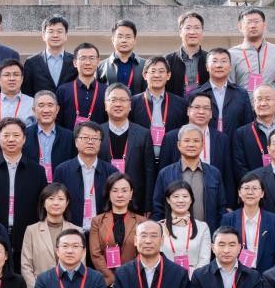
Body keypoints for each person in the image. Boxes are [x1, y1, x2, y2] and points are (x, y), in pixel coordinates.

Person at [0, 118, 48, 267]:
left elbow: (42, 206)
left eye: (16, 135)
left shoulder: (37, 171)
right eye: (6, 135)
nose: (11, 139)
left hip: (27, 235)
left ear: (24, 139)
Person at [153, 125, 227, 228]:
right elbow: (158, 209)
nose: (191, 144)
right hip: (173, 233)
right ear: (179, 145)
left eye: (196, 141)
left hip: (207, 233)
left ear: (202, 145)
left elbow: (221, 209)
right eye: (187, 140)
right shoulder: (165, 174)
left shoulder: (214, 173)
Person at [99, 83, 157, 212]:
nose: (118, 104)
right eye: (113, 100)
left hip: (136, 203)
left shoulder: (143, 134)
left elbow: (149, 172)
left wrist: (148, 207)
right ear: (105, 105)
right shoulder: (97, 134)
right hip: (102, 202)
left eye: (123, 100)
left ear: (130, 105)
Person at [158, 93, 231, 194]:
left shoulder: (222, 139)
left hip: (212, 194)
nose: (201, 112)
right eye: (197, 107)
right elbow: (163, 174)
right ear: (188, 111)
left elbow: (228, 176)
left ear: (211, 114)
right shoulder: (171, 137)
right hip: (178, 196)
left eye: (206, 108)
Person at [52, 121, 118, 227]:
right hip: (71, 228)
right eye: (85, 138)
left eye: (95, 138)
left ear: (100, 143)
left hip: (102, 229)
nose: (90, 142)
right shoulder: (62, 170)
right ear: (76, 142)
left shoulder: (111, 171)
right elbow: (56, 202)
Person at [20, 183, 80, 288]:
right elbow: (26, 266)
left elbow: (80, 266)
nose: (56, 203)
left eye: (60, 199)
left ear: (67, 203)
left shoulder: (77, 231)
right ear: (43, 202)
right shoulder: (32, 231)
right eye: (51, 198)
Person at [219, 174, 275, 273]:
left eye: (255, 188)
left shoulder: (274, 220)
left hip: (267, 275)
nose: (250, 192)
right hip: (236, 274)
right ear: (239, 193)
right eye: (246, 188)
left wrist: (272, 276)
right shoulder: (228, 219)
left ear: (262, 193)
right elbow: (223, 250)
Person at [88, 174, 140, 286]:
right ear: (109, 193)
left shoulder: (142, 222)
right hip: (106, 281)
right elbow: (95, 254)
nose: (120, 195)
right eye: (115, 190)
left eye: (124, 190)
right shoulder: (97, 221)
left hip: (133, 280)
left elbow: (143, 252)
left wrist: (129, 276)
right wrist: (111, 278)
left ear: (131, 194)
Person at [130, 56, 189, 152]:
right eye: (153, 71)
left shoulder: (181, 104)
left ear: (168, 75)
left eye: (161, 71)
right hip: (141, 154)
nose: (157, 75)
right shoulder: (133, 103)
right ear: (145, 75)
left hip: (171, 154)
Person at [195, 48, 254, 138]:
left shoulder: (241, 94)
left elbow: (248, 126)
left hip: (234, 143)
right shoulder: (196, 94)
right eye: (214, 61)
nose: (219, 65)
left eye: (223, 61)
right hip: (206, 143)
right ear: (207, 67)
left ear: (230, 67)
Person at [155, 181, 213, 273]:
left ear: (191, 200)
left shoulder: (202, 227)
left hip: (195, 277)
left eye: (185, 196)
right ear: (168, 200)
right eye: (176, 196)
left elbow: (204, 259)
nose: (181, 200)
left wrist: (194, 277)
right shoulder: (159, 227)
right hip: (167, 276)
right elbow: (156, 258)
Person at [233, 84, 275, 180]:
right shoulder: (241, 134)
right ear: (254, 104)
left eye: (268, 99)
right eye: (259, 99)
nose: (263, 103)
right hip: (252, 186)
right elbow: (240, 166)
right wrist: (254, 184)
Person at [230, 7, 275, 91]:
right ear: (240, 27)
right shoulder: (231, 54)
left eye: (256, 21)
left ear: (264, 25)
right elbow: (230, 85)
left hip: (271, 99)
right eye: (248, 22)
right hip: (244, 99)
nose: (253, 26)